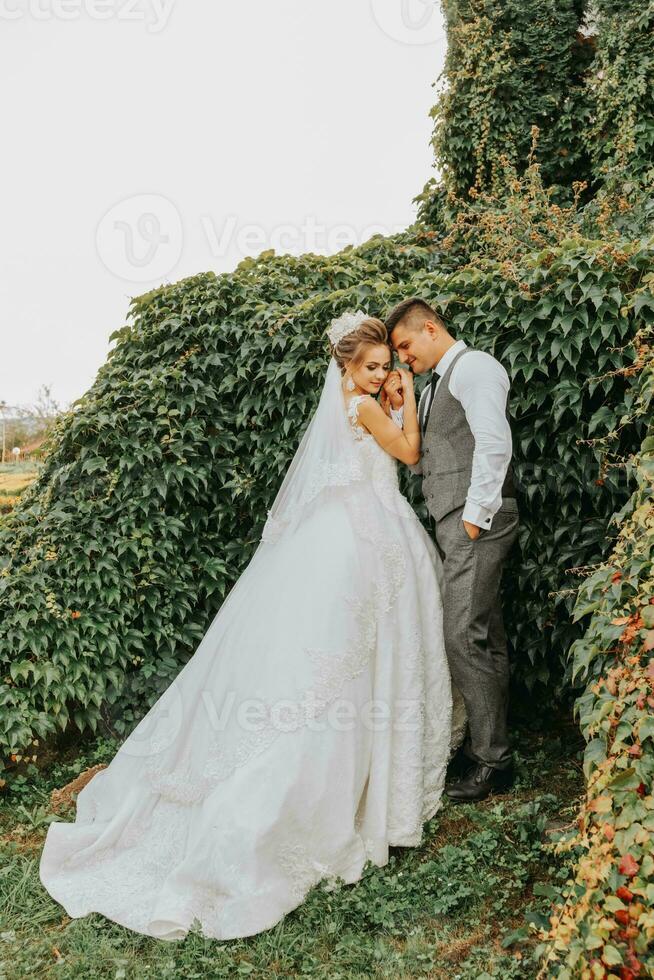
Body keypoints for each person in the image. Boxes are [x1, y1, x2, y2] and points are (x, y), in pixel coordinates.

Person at [39, 311, 464, 942]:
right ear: (347, 367)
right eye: (374, 366)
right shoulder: (366, 407)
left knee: (345, 656)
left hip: (353, 532)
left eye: (386, 365)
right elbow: (409, 453)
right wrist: (403, 401)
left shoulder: (345, 406)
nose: (382, 375)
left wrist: (394, 391)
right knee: (349, 657)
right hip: (364, 536)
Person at [385, 297, 519, 803]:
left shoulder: (474, 368)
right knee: (484, 632)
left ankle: (493, 762)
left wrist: (474, 516)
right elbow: (424, 458)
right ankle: (491, 745)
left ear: (431, 328)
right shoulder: (434, 385)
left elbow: (493, 441)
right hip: (456, 521)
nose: (403, 358)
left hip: (475, 520)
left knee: (461, 634)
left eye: (405, 345)